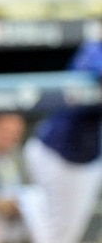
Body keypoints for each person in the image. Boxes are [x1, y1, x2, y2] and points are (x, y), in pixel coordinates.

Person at [23, 38, 102, 243]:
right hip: (56, 156)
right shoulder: (92, 49)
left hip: (87, 159)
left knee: (65, 235)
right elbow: (96, 68)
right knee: (56, 236)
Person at [0, 112, 39, 243]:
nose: (12, 138)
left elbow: (30, 188)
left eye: (17, 133)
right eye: (6, 131)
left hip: (18, 224)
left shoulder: (17, 155)